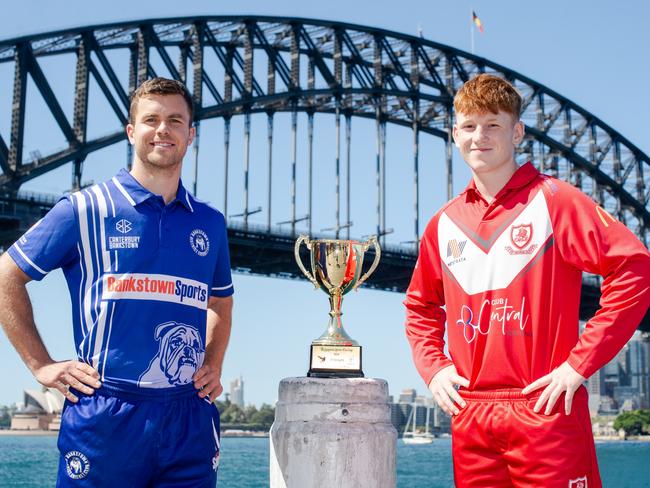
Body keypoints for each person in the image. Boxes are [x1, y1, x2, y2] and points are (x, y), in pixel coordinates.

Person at [404, 73, 650, 487]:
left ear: (517, 132)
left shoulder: (555, 201)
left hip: (545, 408)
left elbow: (635, 267)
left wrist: (578, 365)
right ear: (453, 134)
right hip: (472, 414)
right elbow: (420, 306)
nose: (478, 137)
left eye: (493, 125)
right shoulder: (442, 224)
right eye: (468, 126)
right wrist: (434, 368)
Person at [0, 77, 234, 487]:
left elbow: (219, 301)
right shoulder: (84, 209)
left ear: (191, 133)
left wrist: (212, 362)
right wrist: (41, 364)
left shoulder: (210, 223)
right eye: (151, 119)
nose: (163, 129)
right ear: (131, 131)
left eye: (176, 120)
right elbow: (6, 276)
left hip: (188, 415)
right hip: (106, 411)